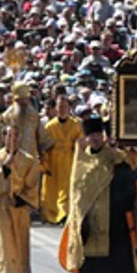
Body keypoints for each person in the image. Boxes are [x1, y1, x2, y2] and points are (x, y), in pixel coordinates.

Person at [59, 116, 137, 273]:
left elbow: (127, 180)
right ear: (86, 137)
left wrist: (120, 199)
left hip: (111, 211)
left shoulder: (114, 156)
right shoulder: (80, 158)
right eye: (91, 135)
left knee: (111, 251)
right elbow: (76, 186)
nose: (95, 138)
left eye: (98, 134)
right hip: (88, 212)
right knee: (90, 251)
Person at [0, 123, 41, 273]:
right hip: (1, 205)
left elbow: (32, 183)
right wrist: (4, 169)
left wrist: (23, 198)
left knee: (18, 241)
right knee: (4, 242)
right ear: (4, 138)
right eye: (9, 136)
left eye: (16, 136)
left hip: (19, 205)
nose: (12, 140)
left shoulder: (29, 159)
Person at [40, 95, 83, 225]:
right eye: (59, 106)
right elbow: (43, 145)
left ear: (69, 108)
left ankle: (65, 213)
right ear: (56, 108)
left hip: (69, 159)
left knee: (67, 187)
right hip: (53, 160)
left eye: (65, 106)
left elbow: (80, 143)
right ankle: (51, 214)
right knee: (51, 188)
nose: (62, 109)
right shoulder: (49, 126)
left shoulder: (76, 124)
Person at [0, 82, 54, 159]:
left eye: (26, 99)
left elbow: (44, 141)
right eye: (20, 100)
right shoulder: (4, 118)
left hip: (31, 162)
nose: (24, 102)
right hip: (10, 161)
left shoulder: (34, 117)